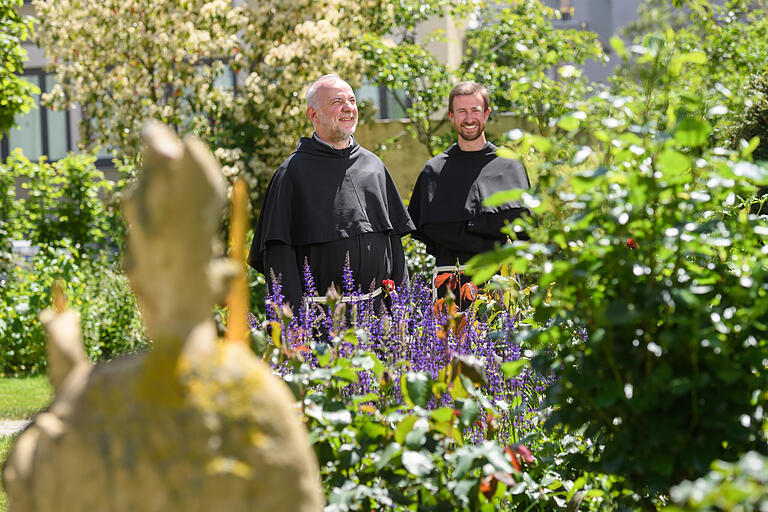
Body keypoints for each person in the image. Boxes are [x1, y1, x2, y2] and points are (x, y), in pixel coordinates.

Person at [248, 74, 414, 311]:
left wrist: (400, 310)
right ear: (313, 114)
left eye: (352, 101)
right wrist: (293, 328)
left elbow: (394, 246)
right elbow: (279, 260)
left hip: (378, 316)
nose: (348, 108)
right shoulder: (291, 174)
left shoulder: (374, 167)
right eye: (337, 102)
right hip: (321, 320)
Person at [407, 82, 531, 294]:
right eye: (461, 111)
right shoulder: (434, 171)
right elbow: (428, 231)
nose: (469, 118)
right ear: (451, 116)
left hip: (501, 283)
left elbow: (525, 228)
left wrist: (462, 230)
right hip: (449, 286)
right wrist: (489, 229)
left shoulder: (510, 165)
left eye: (475, 110)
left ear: (486, 114)